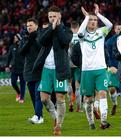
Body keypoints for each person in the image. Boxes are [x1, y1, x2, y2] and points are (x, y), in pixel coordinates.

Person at [33, 6, 72, 135]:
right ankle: (55, 116)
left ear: (59, 16)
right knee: (43, 98)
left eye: (54, 16)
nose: (52, 19)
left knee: (60, 98)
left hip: (59, 69)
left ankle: (58, 126)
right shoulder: (45, 30)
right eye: (50, 17)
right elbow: (41, 42)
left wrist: (58, 28)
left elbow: (65, 41)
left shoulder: (66, 30)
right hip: (46, 69)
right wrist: (51, 28)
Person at [78, 3, 112, 129]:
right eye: (91, 20)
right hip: (87, 71)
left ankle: (103, 121)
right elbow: (80, 31)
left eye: (95, 20)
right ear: (86, 21)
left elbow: (110, 25)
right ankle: (91, 122)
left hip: (100, 69)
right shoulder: (82, 36)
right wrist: (86, 17)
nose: (93, 22)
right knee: (89, 99)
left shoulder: (101, 32)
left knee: (103, 93)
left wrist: (98, 14)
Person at [19, 18, 43, 124]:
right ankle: (39, 116)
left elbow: (42, 50)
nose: (29, 27)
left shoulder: (41, 36)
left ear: (36, 26)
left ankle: (37, 115)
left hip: (40, 69)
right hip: (28, 70)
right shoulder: (25, 38)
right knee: (33, 95)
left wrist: (33, 39)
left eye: (31, 25)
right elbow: (21, 52)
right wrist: (30, 40)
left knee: (38, 94)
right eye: (27, 26)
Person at [105, 23, 121, 115]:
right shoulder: (109, 42)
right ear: (114, 30)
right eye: (117, 29)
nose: (119, 30)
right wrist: (110, 66)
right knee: (111, 88)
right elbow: (108, 56)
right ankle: (115, 104)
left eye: (120, 29)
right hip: (112, 67)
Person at [5, 34, 26, 103]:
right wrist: (7, 66)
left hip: (23, 68)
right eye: (14, 38)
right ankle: (19, 92)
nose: (14, 39)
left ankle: (22, 98)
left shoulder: (23, 45)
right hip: (14, 68)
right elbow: (9, 57)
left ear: (19, 38)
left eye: (16, 38)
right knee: (13, 82)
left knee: (23, 84)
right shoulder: (12, 47)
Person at [68, 21, 82, 112]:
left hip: (68, 63)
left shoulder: (68, 36)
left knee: (68, 84)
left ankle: (70, 103)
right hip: (77, 64)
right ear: (78, 27)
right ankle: (78, 107)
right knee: (77, 85)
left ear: (71, 28)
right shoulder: (81, 36)